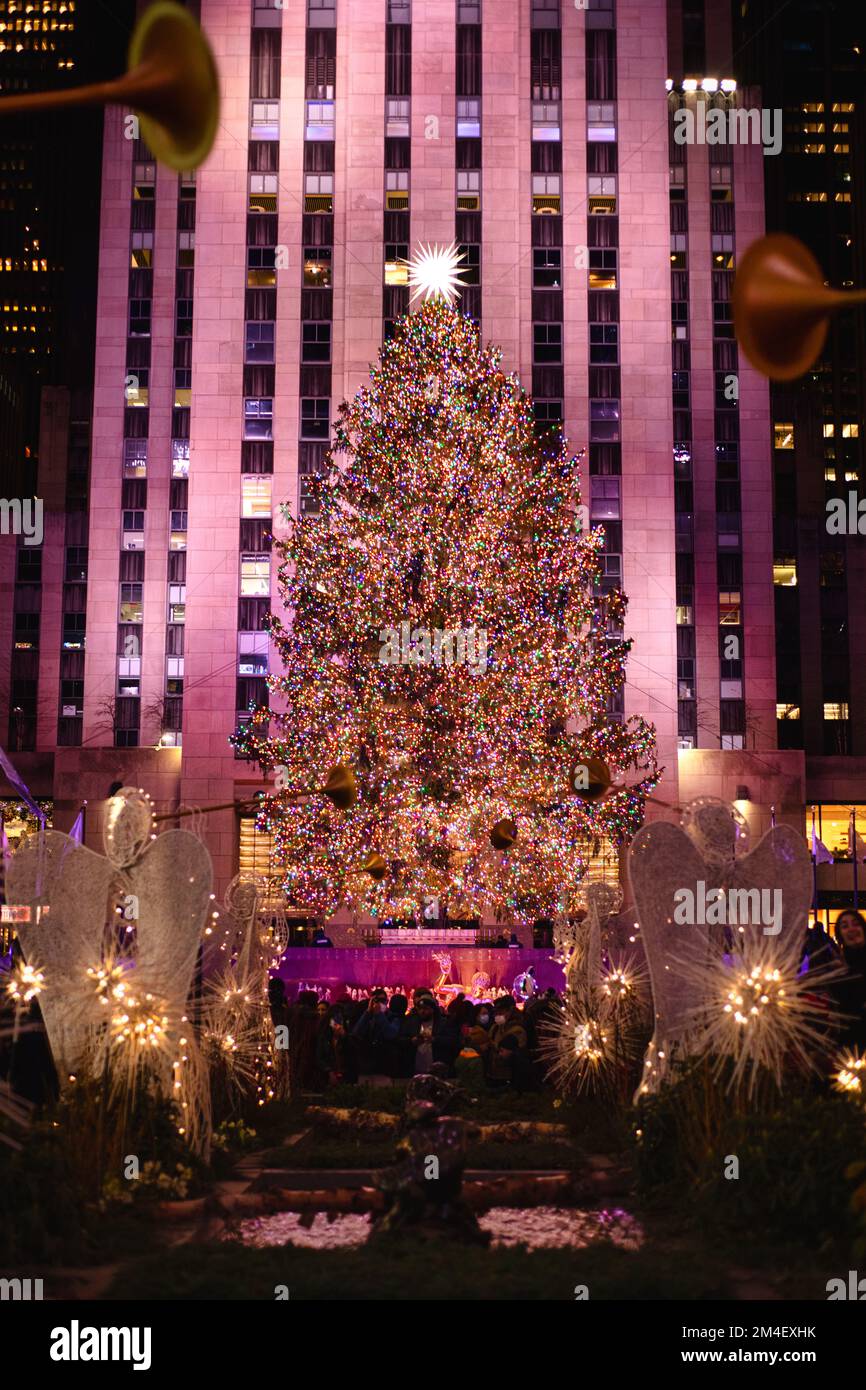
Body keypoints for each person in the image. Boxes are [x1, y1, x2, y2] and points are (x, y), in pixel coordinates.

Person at [833, 909, 866, 1049]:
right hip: (852, 1042)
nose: (851, 928)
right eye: (845, 926)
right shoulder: (837, 967)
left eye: (855, 923)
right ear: (840, 935)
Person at [484, 995, 528, 1090]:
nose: (497, 1016)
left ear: (510, 1011)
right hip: (493, 1074)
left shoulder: (517, 1029)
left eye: (501, 1013)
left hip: (509, 1076)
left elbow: (513, 1051)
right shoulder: (495, 1027)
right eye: (496, 1013)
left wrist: (494, 1045)